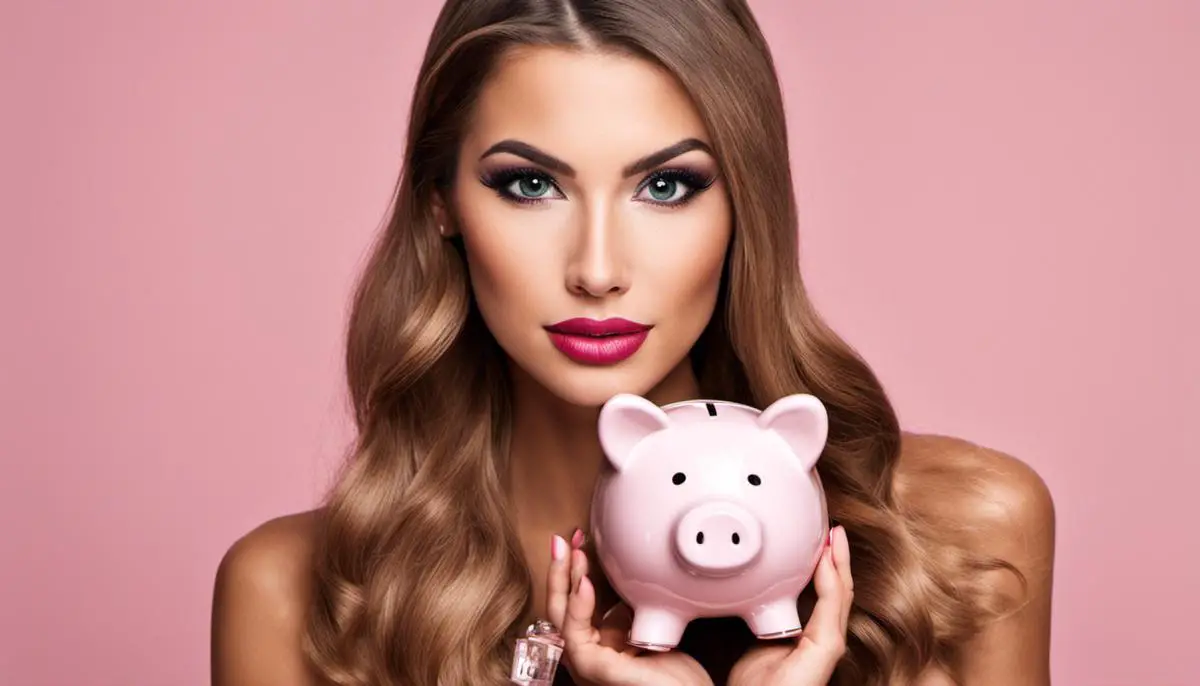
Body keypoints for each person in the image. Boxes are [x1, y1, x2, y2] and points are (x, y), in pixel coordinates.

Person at [210, 1, 1056, 684]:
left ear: (744, 206)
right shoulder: (297, 598)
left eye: (665, 185)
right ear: (441, 204)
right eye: (531, 185)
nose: (598, 269)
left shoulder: (959, 543)